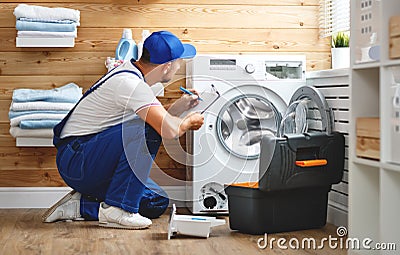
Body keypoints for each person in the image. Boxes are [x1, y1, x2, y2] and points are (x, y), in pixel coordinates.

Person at [42, 31, 204, 229]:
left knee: (156, 202)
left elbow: (153, 118)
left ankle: (82, 205)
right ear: (167, 66)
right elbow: (166, 129)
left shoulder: (131, 74)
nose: (178, 67)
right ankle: (118, 211)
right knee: (149, 131)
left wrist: (181, 106)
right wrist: (188, 122)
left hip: (85, 156)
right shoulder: (132, 85)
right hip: (78, 160)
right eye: (178, 62)